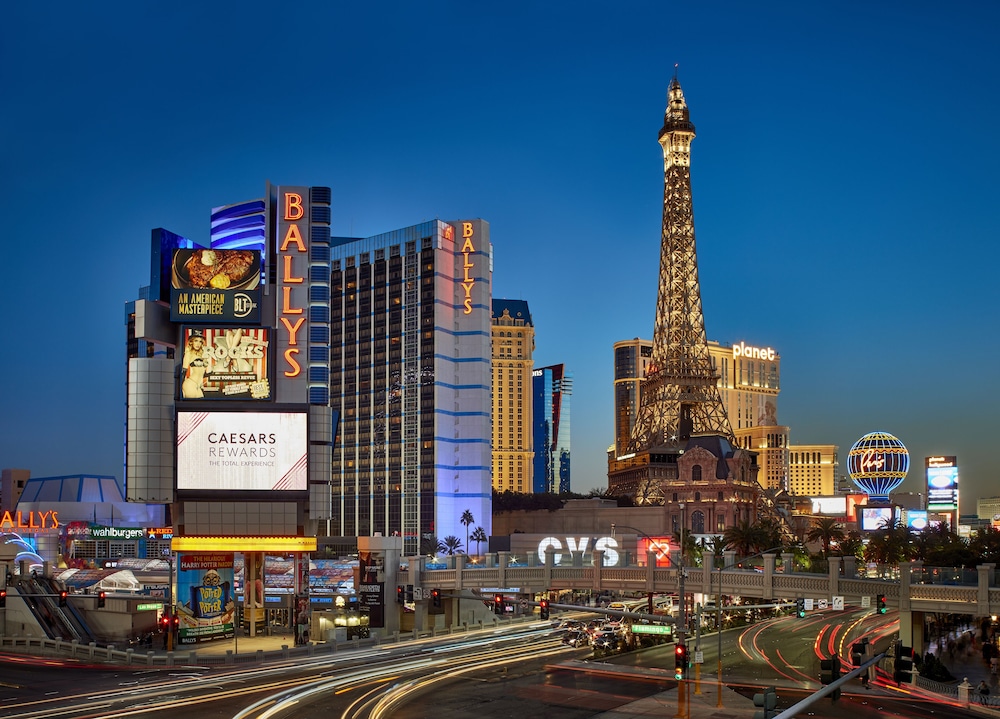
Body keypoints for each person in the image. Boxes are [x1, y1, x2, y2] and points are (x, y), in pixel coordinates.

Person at [181, 331, 210, 398]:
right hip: (190, 384)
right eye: (196, 341)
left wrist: (212, 374)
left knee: (202, 407)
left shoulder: (202, 355)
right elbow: (183, 371)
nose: (198, 344)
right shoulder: (189, 354)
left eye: (200, 341)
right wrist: (179, 389)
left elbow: (202, 373)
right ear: (191, 342)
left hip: (198, 386)